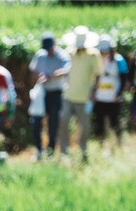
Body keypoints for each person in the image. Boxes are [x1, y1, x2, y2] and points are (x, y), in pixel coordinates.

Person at [59, 27, 102, 160]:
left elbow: (98, 74)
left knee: (84, 126)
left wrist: (94, 92)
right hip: (68, 95)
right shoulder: (68, 53)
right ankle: (64, 150)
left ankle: (83, 150)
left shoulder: (93, 54)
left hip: (85, 97)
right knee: (64, 122)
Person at [29, 33, 72, 159]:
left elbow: (65, 71)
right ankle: (38, 149)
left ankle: (51, 151)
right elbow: (33, 70)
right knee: (35, 121)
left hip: (56, 93)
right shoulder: (40, 55)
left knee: (53, 123)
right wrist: (39, 78)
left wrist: (50, 76)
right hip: (41, 92)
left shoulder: (62, 56)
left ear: (54, 45)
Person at [93, 36, 130, 146]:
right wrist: (93, 93)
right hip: (99, 97)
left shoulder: (119, 60)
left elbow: (124, 79)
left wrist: (119, 94)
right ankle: (100, 142)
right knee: (99, 122)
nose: (104, 53)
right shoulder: (96, 59)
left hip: (113, 97)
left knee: (114, 121)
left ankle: (118, 142)